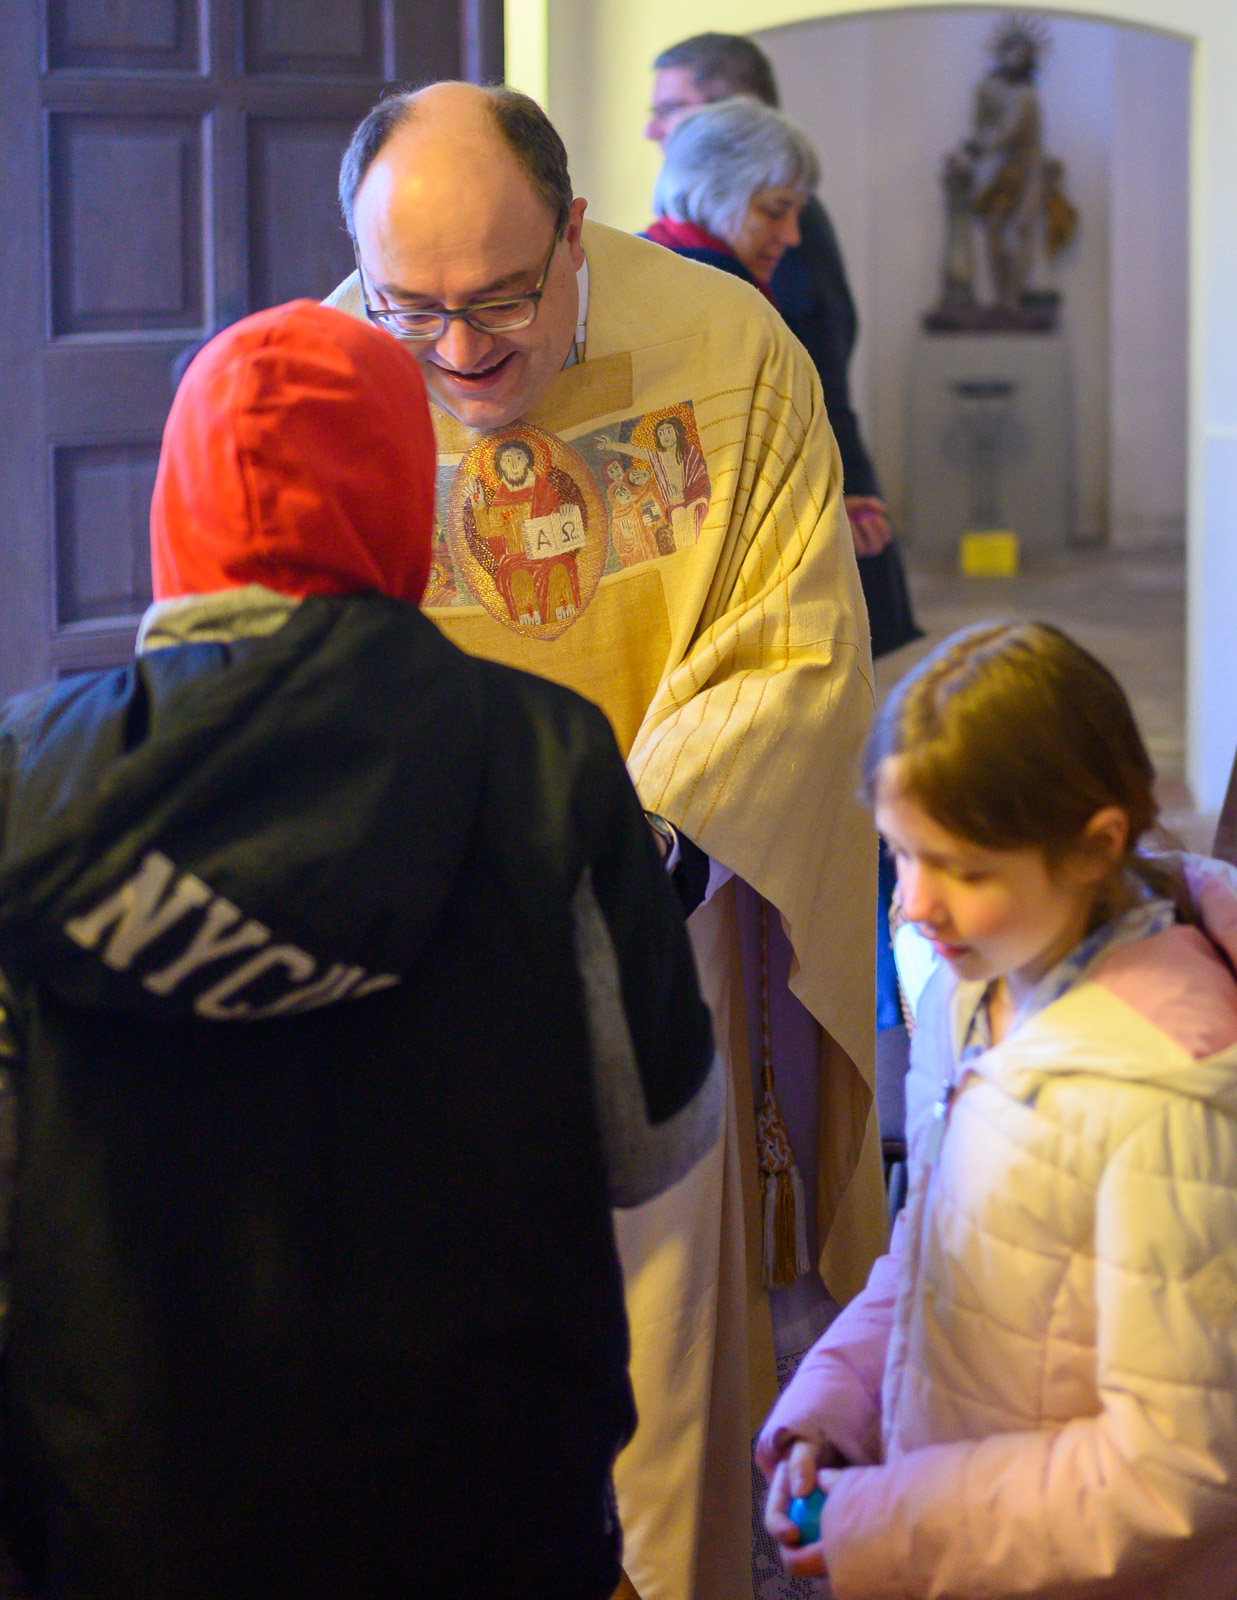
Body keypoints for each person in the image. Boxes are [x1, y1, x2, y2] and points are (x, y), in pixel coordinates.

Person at [0, 299, 720, 1600]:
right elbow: (657, 1139)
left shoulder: (24, 775)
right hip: (487, 1503)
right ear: (406, 493)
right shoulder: (545, 754)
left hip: (124, 1505)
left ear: (171, 501)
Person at [326, 80, 883, 1600]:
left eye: (501, 299)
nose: (459, 353)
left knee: (659, 1341)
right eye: (411, 311)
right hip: (416, 940)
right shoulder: (323, 382)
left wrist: (618, 838)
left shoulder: (727, 350)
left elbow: (797, 636)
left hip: (648, 904)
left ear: (576, 234)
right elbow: (280, 641)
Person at [758, 620, 1237, 1598]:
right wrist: (832, 1396)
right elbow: (932, 1241)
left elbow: (1171, 1470)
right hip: (973, 1542)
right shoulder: (975, 985)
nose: (913, 906)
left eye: (964, 868)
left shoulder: (1166, 1093)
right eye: (900, 856)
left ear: (1095, 844)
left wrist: (886, 1518)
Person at [646, 32, 921, 660]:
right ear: (718, 189)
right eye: (774, 211)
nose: (792, 234)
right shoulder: (716, 294)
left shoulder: (664, 260)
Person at [642, 96, 817, 300]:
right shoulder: (724, 301)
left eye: (798, 212)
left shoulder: (631, 259)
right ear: (708, 196)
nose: (792, 237)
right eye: (774, 212)